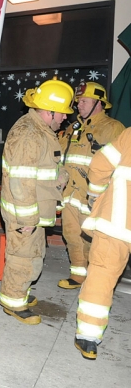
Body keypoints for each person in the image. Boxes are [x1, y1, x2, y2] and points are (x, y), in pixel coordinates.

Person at [0, 80, 74, 325]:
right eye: (62, 112)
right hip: (25, 214)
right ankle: (13, 302)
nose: (64, 117)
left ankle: (21, 291)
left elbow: (41, 168)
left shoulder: (39, 130)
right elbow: (21, 182)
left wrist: (59, 176)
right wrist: (28, 220)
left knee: (33, 255)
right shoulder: (30, 134)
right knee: (22, 257)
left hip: (33, 211)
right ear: (48, 111)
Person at [58, 82, 124, 290]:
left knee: (92, 239)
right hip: (70, 194)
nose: (79, 105)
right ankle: (78, 274)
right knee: (70, 235)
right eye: (78, 101)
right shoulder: (73, 127)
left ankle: (95, 279)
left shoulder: (113, 128)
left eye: (84, 101)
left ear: (99, 103)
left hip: (94, 196)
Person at [75, 127, 131, 360]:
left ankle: (88, 337)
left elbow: (99, 164)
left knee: (102, 276)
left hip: (118, 219)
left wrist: (95, 195)